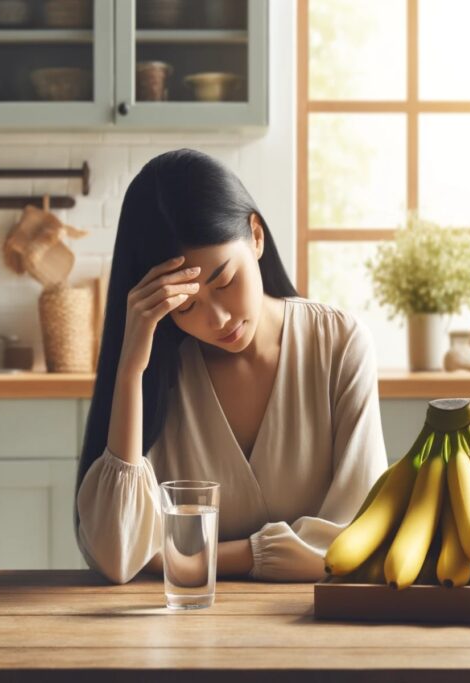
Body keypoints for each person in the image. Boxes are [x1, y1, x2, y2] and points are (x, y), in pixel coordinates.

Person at [74, 148, 387, 584]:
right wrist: (130, 372)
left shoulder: (339, 344)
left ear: (255, 236)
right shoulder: (160, 372)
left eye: (224, 280)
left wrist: (185, 558)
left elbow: (359, 538)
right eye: (185, 305)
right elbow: (118, 555)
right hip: (178, 636)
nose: (218, 319)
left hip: (315, 628)